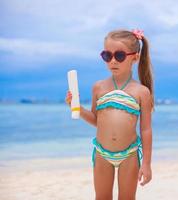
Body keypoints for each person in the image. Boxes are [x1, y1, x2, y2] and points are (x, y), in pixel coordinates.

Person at [65, 29, 154, 200]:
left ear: (135, 57)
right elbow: (96, 120)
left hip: (129, 154)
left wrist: (147, 164)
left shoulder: (141, 92)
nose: (112, 61)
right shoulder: (98, 87)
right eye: (107, 55)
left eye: (119, 56)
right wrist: (77, 108)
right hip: (101, 153)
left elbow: (146, 130)